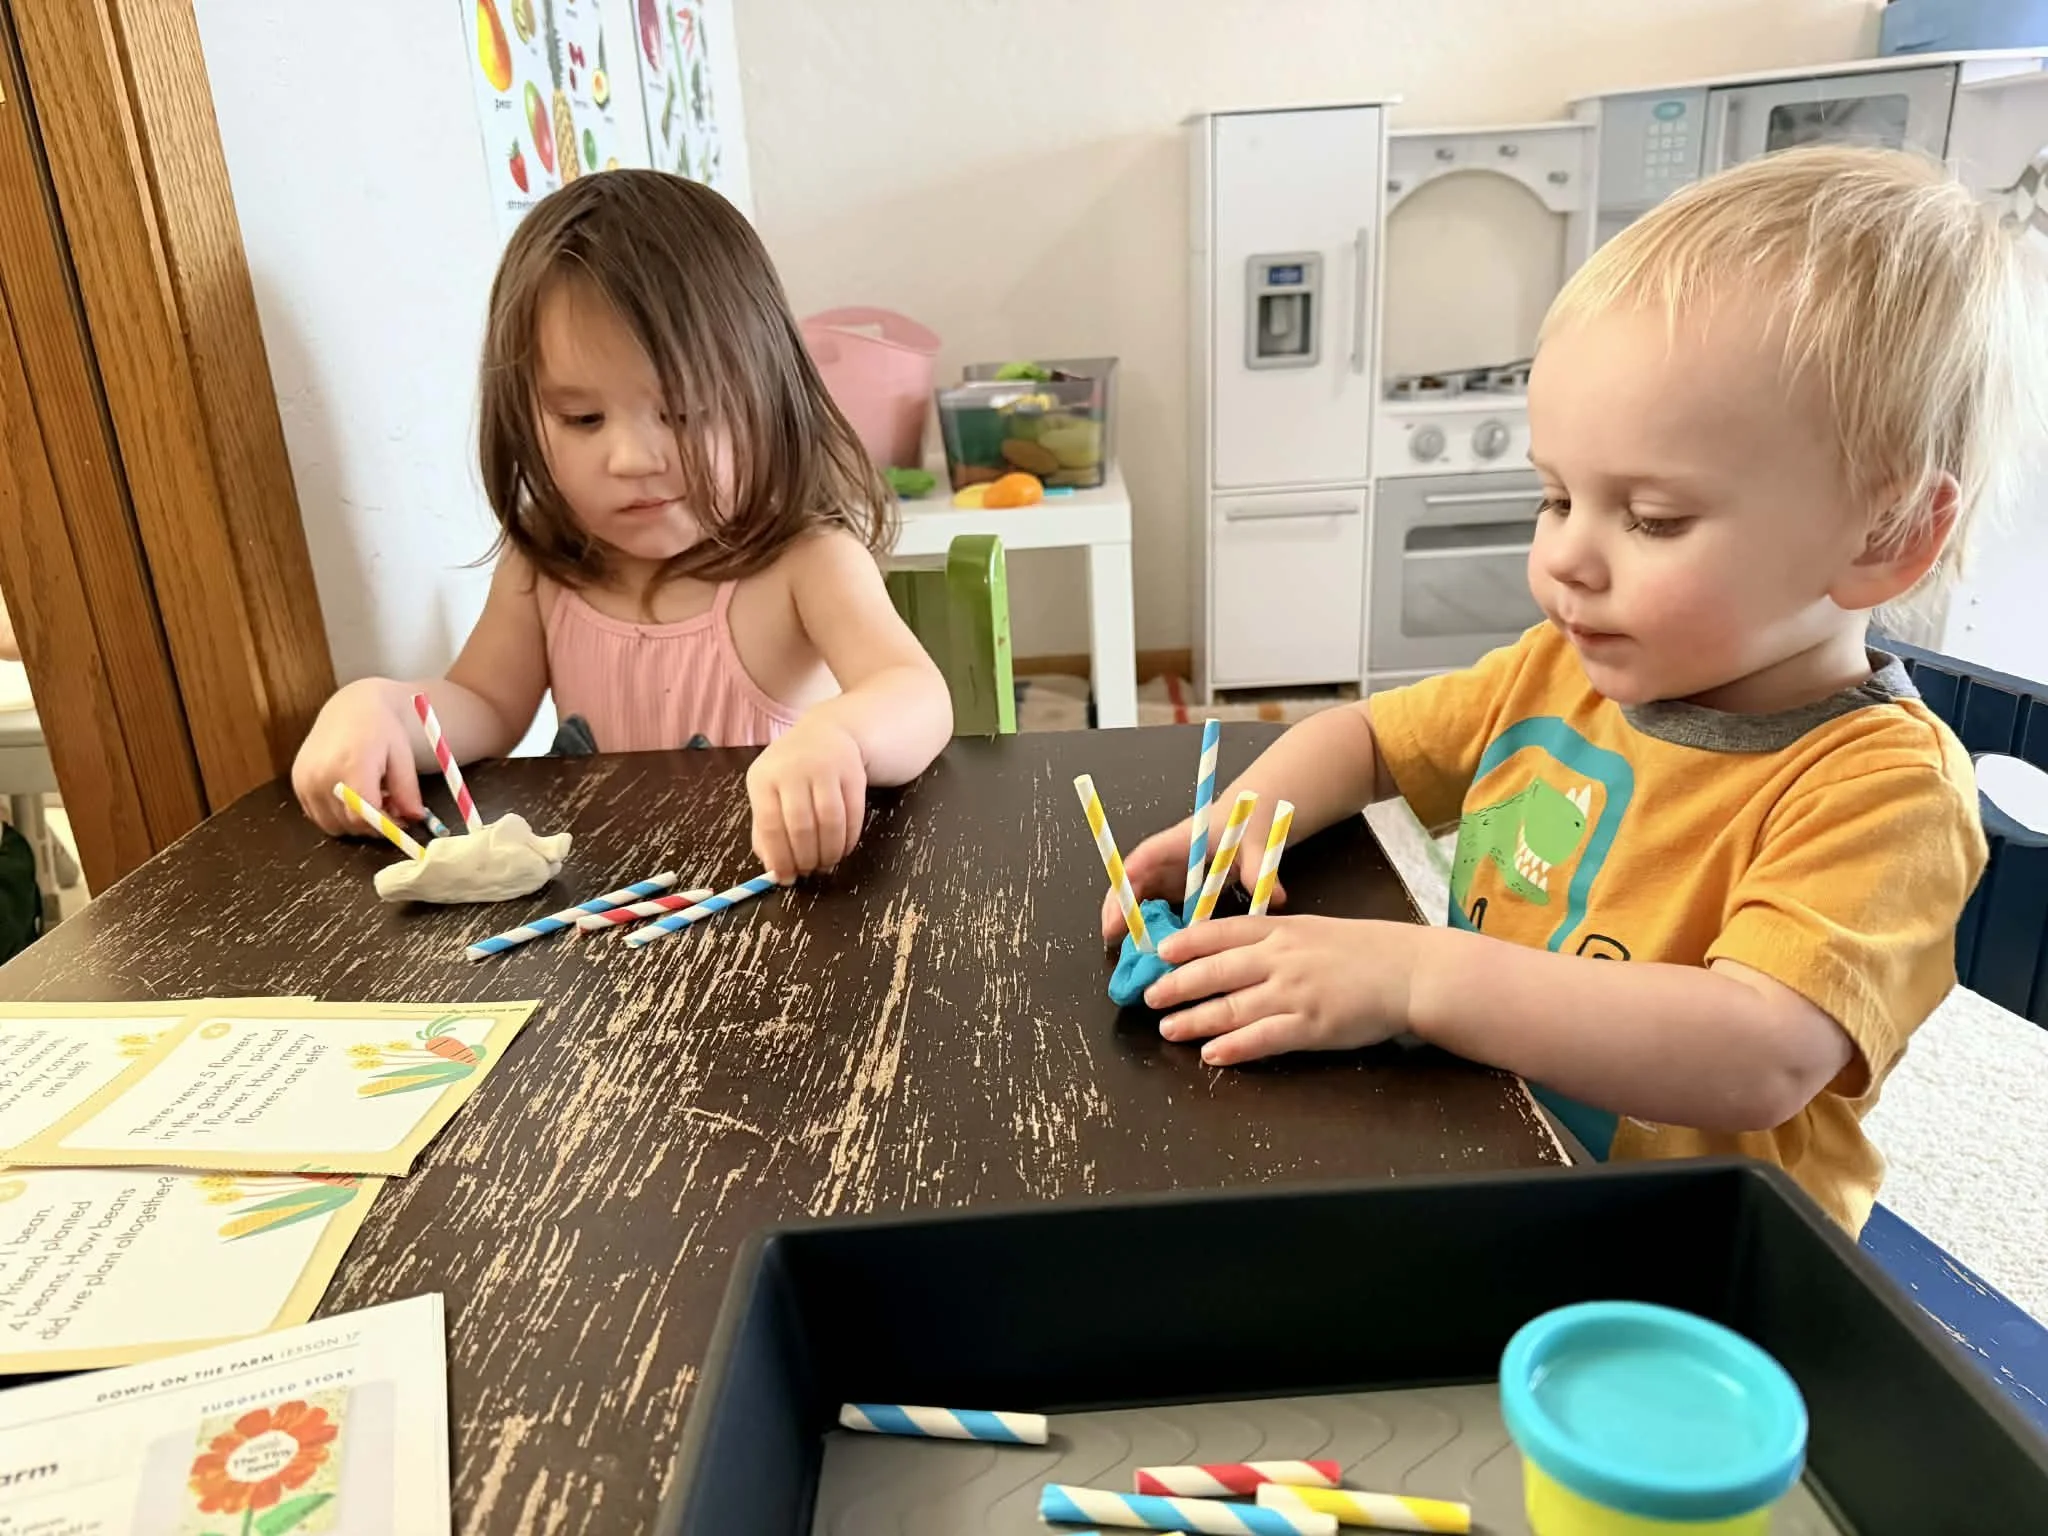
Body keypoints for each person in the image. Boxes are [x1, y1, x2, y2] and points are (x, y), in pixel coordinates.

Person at [1106, 146, 2048, 1233]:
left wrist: (1412, 980)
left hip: (1687, 1257)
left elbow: (1753, 1055)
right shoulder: (1565, 665)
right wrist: (1245, 818)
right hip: (1501, 1136)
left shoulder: (1881, 793)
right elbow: (1365, 738)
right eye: (1554, 498)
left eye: (1648, 518)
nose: (1565, 560)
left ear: (1884, 536)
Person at [292, 171, 952, 880]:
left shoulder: (807, 564)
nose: (632, 458)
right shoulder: (546, 571)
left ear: (769, 395)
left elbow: (916, 695)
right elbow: (484, 706)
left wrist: (840, 735)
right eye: (581, 419)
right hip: (609, 919)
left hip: (784, 908)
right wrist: (381, 709)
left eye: (685, 414)